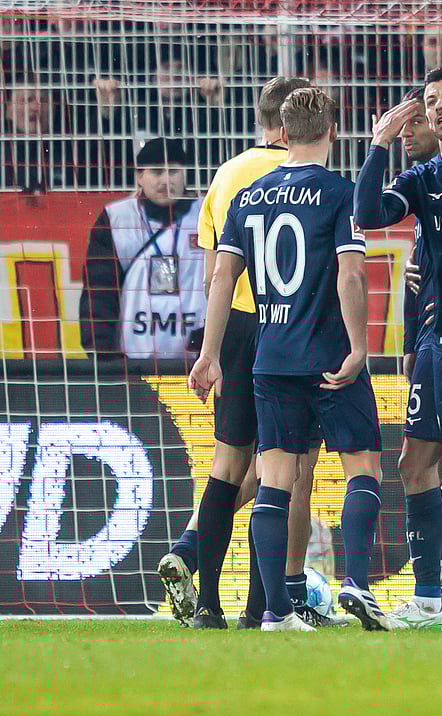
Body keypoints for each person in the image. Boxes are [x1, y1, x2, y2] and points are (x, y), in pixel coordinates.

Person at [190, 87, 386, 633]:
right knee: (363, 466)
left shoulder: (247, 196)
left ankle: (274, 612)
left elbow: (222, 276)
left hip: (270, 357)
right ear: (332, 131)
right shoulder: (340, 193)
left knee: (274, 479)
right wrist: (359, 346)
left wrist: (210, 354)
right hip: (328, 356)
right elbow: (351, 274)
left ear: (281, 129)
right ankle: (356, 583)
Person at [157, 76, 341, 630]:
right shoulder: (313, 177)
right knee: (288, 470)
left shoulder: (229, 175)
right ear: (294, 125)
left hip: (235, 326)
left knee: (226, 467)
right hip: (293, 326)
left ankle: (206, 603)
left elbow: (215, 270)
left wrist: (210, 349)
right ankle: (268, 605)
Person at [354, 67, 442, 629]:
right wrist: (378, 144)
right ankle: (430, 597)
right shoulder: (425, 179)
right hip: (435, 341)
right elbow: (367, 215)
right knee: (415, 463)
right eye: (430, 101)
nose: (437, 108)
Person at [79, 137, 205, 361]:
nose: (166, 180)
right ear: (139, 177)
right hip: (134, 363)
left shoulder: (206, 215)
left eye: (173, 172)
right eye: (157, 172)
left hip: (196, 362)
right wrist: (103, 356)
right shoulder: (117, 218)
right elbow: (99, 292)